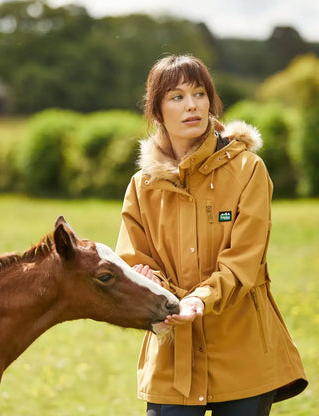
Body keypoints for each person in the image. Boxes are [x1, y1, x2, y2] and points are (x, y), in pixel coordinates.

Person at [115, 55, 308, 416]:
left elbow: (245, 260)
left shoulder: (248, 169)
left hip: (243, 354)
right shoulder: (141, 186)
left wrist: (199, 300)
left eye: (199, 93)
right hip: (171, 356)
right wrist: (151, 285)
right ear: (156, 111)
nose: (192, 105)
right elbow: (133, 259)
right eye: (176, 97)